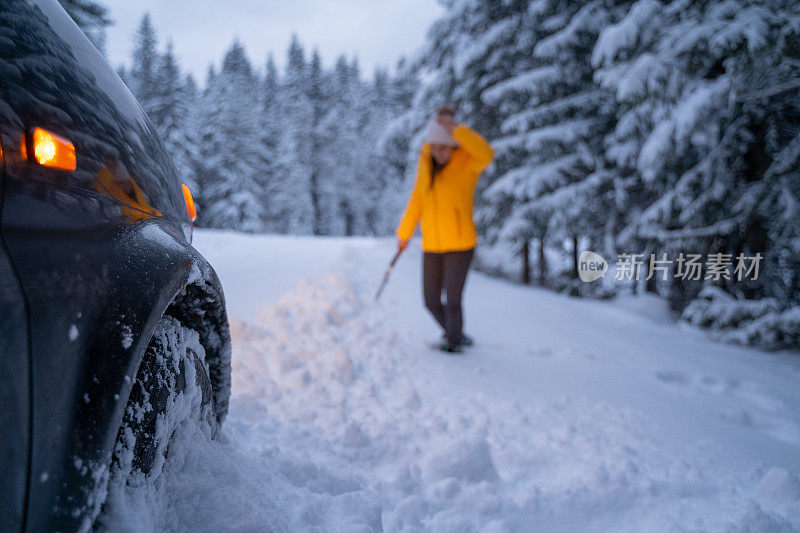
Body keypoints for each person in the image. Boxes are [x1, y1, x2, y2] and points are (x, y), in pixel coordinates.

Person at [396, 106, 493, 353]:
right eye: (436, 147)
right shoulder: (426, 166)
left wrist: (457, 131)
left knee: (452, 301)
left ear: (454, 146)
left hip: (460, 245)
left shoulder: (467, 165)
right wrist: (404, 234)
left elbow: (486, 153)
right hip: (432, 245)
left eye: (445, 147)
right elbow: (417, 201)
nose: (440, 153)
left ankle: (454, 343)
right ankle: (455, 333)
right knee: (430, 301)